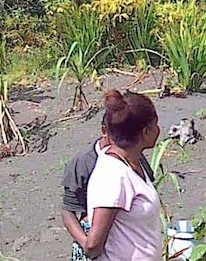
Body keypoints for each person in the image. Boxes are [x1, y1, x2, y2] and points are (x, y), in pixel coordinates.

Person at [73, 90, 163, 260]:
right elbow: (93, 245)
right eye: (155, 124)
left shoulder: (131, 163)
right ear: (145, 132)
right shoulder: (113, 175)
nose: (159, 130)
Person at [60, 116, 153, 260]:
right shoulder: (84, 162)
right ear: (104, 131)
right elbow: (68, 211)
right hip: (93, 236)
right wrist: (88, 245)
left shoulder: (134, 157)